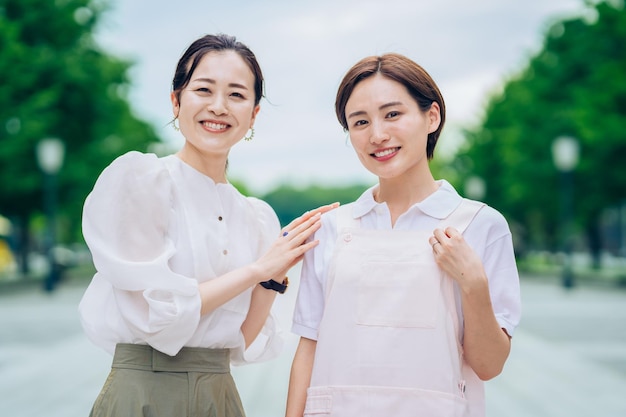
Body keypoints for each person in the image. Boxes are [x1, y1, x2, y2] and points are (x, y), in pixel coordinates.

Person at [78, 33, 338, 417]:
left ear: (253, 115)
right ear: (176, 100)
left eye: (236, 95)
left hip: (220, 395)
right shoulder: (142, 181)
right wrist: (256, 269)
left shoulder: (256, 216)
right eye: (203, 90)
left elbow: (240, 343)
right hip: (144, 391)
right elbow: (156, 320)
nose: (219, 107)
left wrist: (274, 275)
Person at [285, 53, 521, 417]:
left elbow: (489, 365)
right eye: (360, 122)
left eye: (392, 114)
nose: (378, 134)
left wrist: (473, 282)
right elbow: (309, 347)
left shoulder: (480, 225)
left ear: (432, 116)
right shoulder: (333, 228)